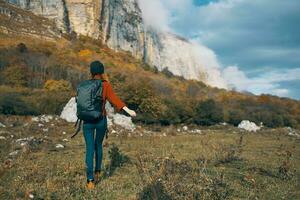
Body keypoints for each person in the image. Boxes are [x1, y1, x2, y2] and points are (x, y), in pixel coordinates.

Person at [82, 60, 136, 189]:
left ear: (91, 72)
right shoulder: (105, 85)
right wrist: (128, 110)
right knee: (98, 146)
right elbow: (115, 99)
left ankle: (90, 181)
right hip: (101, 120)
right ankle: (98, 171)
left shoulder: (84, 85)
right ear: (102, 72)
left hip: (87, 121)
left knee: (89, 149)